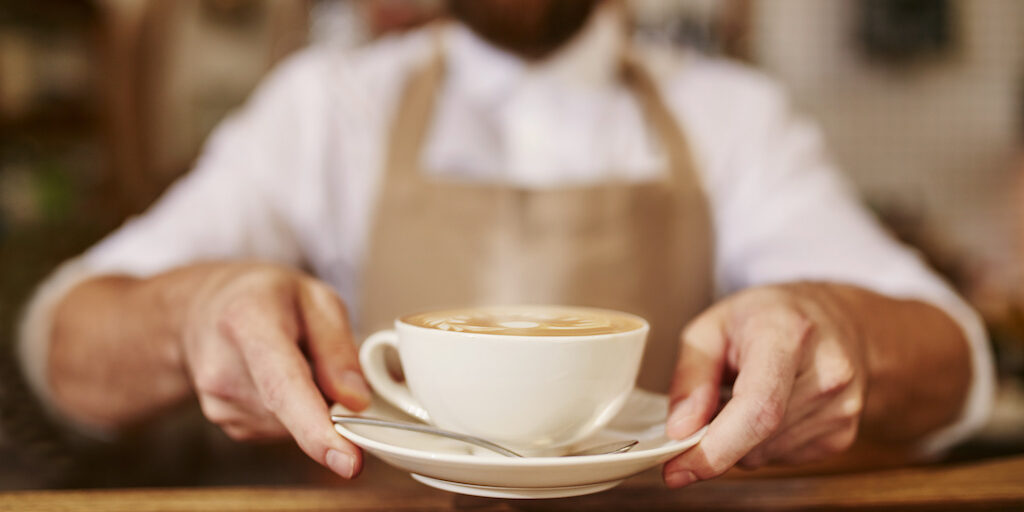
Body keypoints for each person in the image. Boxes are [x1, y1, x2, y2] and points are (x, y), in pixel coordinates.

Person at [17, 0, 993, 488]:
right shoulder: (328, 104)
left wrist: (839, 332)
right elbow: (61, 341)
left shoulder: (733, 117)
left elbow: (954, 361)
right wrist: (192, 312)